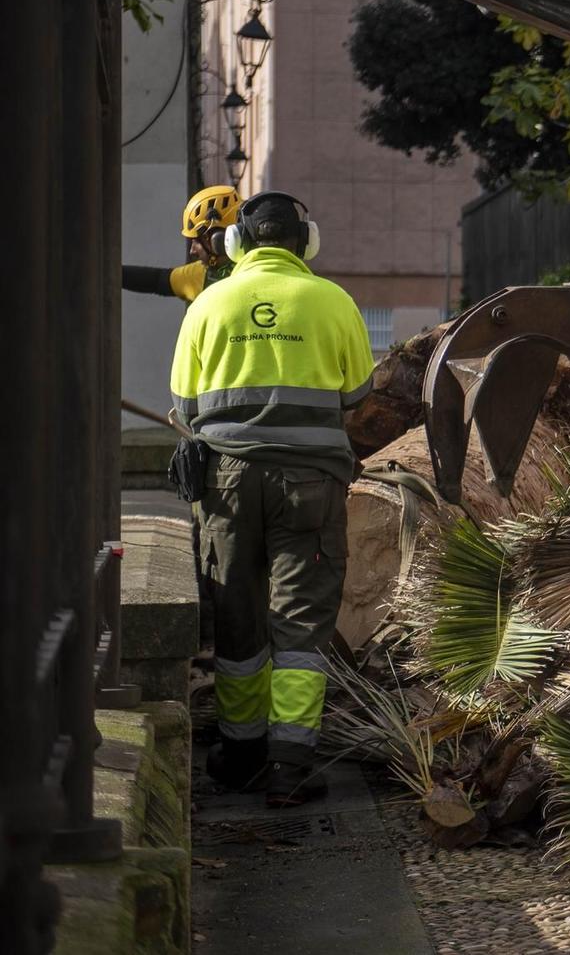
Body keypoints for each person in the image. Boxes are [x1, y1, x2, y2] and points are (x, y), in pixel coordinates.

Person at [170, 191, 374, 806]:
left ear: (237, 244)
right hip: (310, 483)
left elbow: (183, 402)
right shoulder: (333, 300)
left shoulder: (209, 302)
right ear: (305, 243)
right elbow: (357, 391)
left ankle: (241, 753)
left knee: (237, 612)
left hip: (227, 482)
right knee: (301, 620)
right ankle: (291, 763)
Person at [124, 185, 241, 302]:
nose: (192, 251)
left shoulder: (204, 276)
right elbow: (157, 280)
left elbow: (157, 280)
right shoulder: (200, 274)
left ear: (217, 238)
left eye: (197, 241)